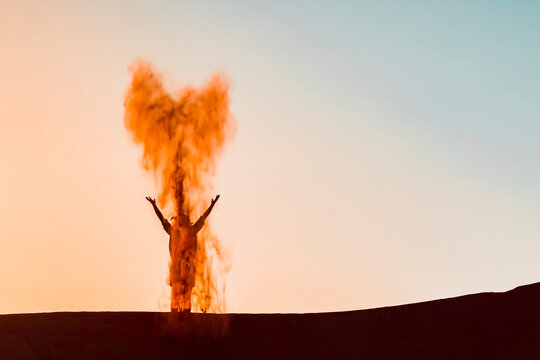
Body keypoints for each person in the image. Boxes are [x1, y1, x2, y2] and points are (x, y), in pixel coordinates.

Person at [145, 194, 220, 312]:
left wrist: (212, 204)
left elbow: (203, 217)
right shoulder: (173, 232)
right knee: (175, 297)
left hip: (188, 268)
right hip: (176, 269)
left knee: (187, 296)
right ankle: (174, 318)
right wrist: (154, 206)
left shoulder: (192, 230)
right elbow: (162, 219)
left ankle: (186, 317)